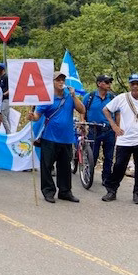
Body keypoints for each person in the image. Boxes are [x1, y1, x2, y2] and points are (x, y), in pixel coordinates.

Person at [102, 73, 138, 205]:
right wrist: (114, 125)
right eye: (132, 84)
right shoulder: (122, 98)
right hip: (124, 139)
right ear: (129, 85)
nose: (135, 86)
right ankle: (111, 190)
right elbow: (106, 110)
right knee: (119, 166)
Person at [28, 71, 86, 204]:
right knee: (47, 166)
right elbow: (37, 116)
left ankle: (65, 192)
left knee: (65, 167)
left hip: (66, 138)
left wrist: (74, 96)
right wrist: (32, 116)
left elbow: (82, 110)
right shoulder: (46, 98)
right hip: (50, 138)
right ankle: (48, 191)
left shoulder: (69, 96)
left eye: (62, 80)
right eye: (58, 80)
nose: (61, 82)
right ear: (52, 82)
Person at [80, 74, 116, 188]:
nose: (109, 84)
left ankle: (106, 178)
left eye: (110, 82)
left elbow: (118, 113)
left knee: (109, 156)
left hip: (109, 130)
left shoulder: (113, 98)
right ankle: (88, 174)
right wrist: (82, 123)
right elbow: (82, 110)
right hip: (93, 129)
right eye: (106, 82)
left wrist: (117, 128)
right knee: (93, 154)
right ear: (99, 83)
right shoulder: (89, 97)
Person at [0, 63, 11, 134]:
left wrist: (2, 94)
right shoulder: (0, 78)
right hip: (2, 100)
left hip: (6, 99)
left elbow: (10, 89)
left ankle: (8, 133)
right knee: (6, 116)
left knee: (3, 116)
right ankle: (9, 132)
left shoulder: (6, 77)